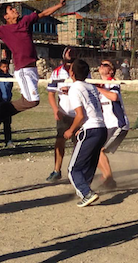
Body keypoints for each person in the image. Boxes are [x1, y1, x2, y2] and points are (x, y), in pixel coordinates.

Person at [0, 0, 66, 120]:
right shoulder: (3, 30)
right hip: (23, 70)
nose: (14, 10)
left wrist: (59, 5)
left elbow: (44, 13)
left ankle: (0, 116)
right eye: (11, 9)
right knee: (33, 101)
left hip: (33, 68)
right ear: (6, 17)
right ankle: (1, 112)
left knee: (28, 100)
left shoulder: (25, 21)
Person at [64, 59, 107, 207]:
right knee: (88, 165)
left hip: (91, 129)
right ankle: (85, 190)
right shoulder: (91, 87)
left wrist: (71, 130)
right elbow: (97, 109)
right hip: (102, 129)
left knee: (73, 169)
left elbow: (80, 115)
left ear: (72, 73)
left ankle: (86, 193)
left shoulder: (75, 88)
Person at [96, 60, 130, 188]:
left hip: (118, 124)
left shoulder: (112, 82)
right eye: (101, 64)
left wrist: (98, 88)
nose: (101, 66)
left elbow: (114, 97)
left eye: (105, 65)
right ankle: (107, 177)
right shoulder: (98, 84)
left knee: (99, 150)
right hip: (107, 125)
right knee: (96, 150)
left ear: (110, 70)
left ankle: (109, 178)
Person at [46, 47, 77, 182]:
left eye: (72, 52)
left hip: (79, 113)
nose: (70, 54)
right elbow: (51, 93)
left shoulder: (81, 70)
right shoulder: (57, 73)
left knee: (79, 142)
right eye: (68, 52)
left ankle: (77, 170)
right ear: (63, 56)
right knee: (60, 140)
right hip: (64, 112)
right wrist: (55, 110)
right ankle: (56, 170)